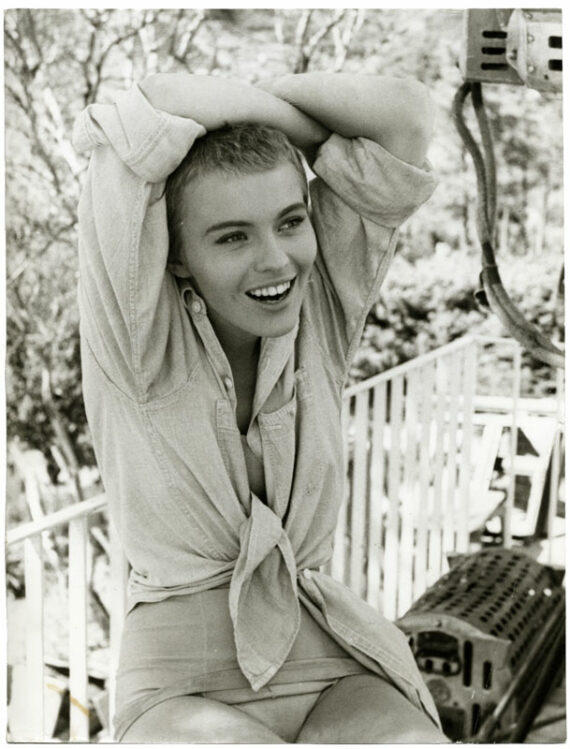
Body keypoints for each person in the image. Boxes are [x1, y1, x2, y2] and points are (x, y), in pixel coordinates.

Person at [73, 70, 445, 743]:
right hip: (181, 681)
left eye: (291, 221)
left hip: (329, 658)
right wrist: (297, 129)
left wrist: (280, 131)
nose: (277, 262)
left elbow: (408, 117)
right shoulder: (135, 335)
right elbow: (150, 107)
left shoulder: (319, 309)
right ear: (180, 256)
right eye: (232, 236)